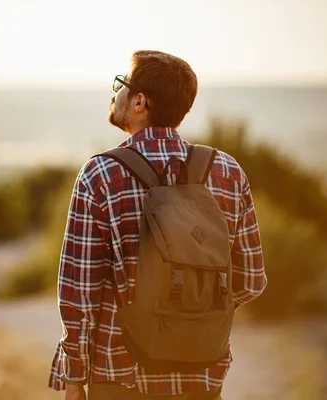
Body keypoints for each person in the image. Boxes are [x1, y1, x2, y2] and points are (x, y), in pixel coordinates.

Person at [49, 51, 267, 399]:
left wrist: (74, 378)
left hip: (120, 377)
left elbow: (79, 294)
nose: (115, 92)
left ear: (139, 102)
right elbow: (251, 280)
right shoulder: (227, 172)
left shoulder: (101, 174)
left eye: (121, 84)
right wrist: (191, 314)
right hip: (202, 375)